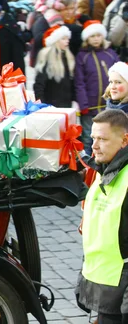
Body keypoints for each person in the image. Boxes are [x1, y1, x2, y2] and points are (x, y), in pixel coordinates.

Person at [75, 109, 128, 323]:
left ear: (124, 140)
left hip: (120, 291)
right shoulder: (103, 170)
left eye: (103, 139)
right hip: (105, 288)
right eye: (93, 138)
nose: (94, 146)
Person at [76, 21, 120, 154]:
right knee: (89, 138)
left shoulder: (111, 54)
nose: (96, 39)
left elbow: (120, 77)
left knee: (108, 136)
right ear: (87, 39)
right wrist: (83, 105)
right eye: (92, 36)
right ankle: (87, 167)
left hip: (109, 106)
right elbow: (79, 82)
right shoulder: (82, 57)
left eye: (98, 35)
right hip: (90, 107)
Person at [31, 0, 84, 64]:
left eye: (72, 8)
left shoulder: (79, 20)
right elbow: (39, 40)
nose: (70, 12)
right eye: (65, 9)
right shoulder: (45, 20)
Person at [33, 25, 75, 108]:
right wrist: (42, 105)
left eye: (67, 39)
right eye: (63, 39)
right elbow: (39, 85)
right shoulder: (47, 58)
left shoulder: (68, 57)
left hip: (66, 104)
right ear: (55, 41)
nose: (67, 41)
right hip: (51, 105)